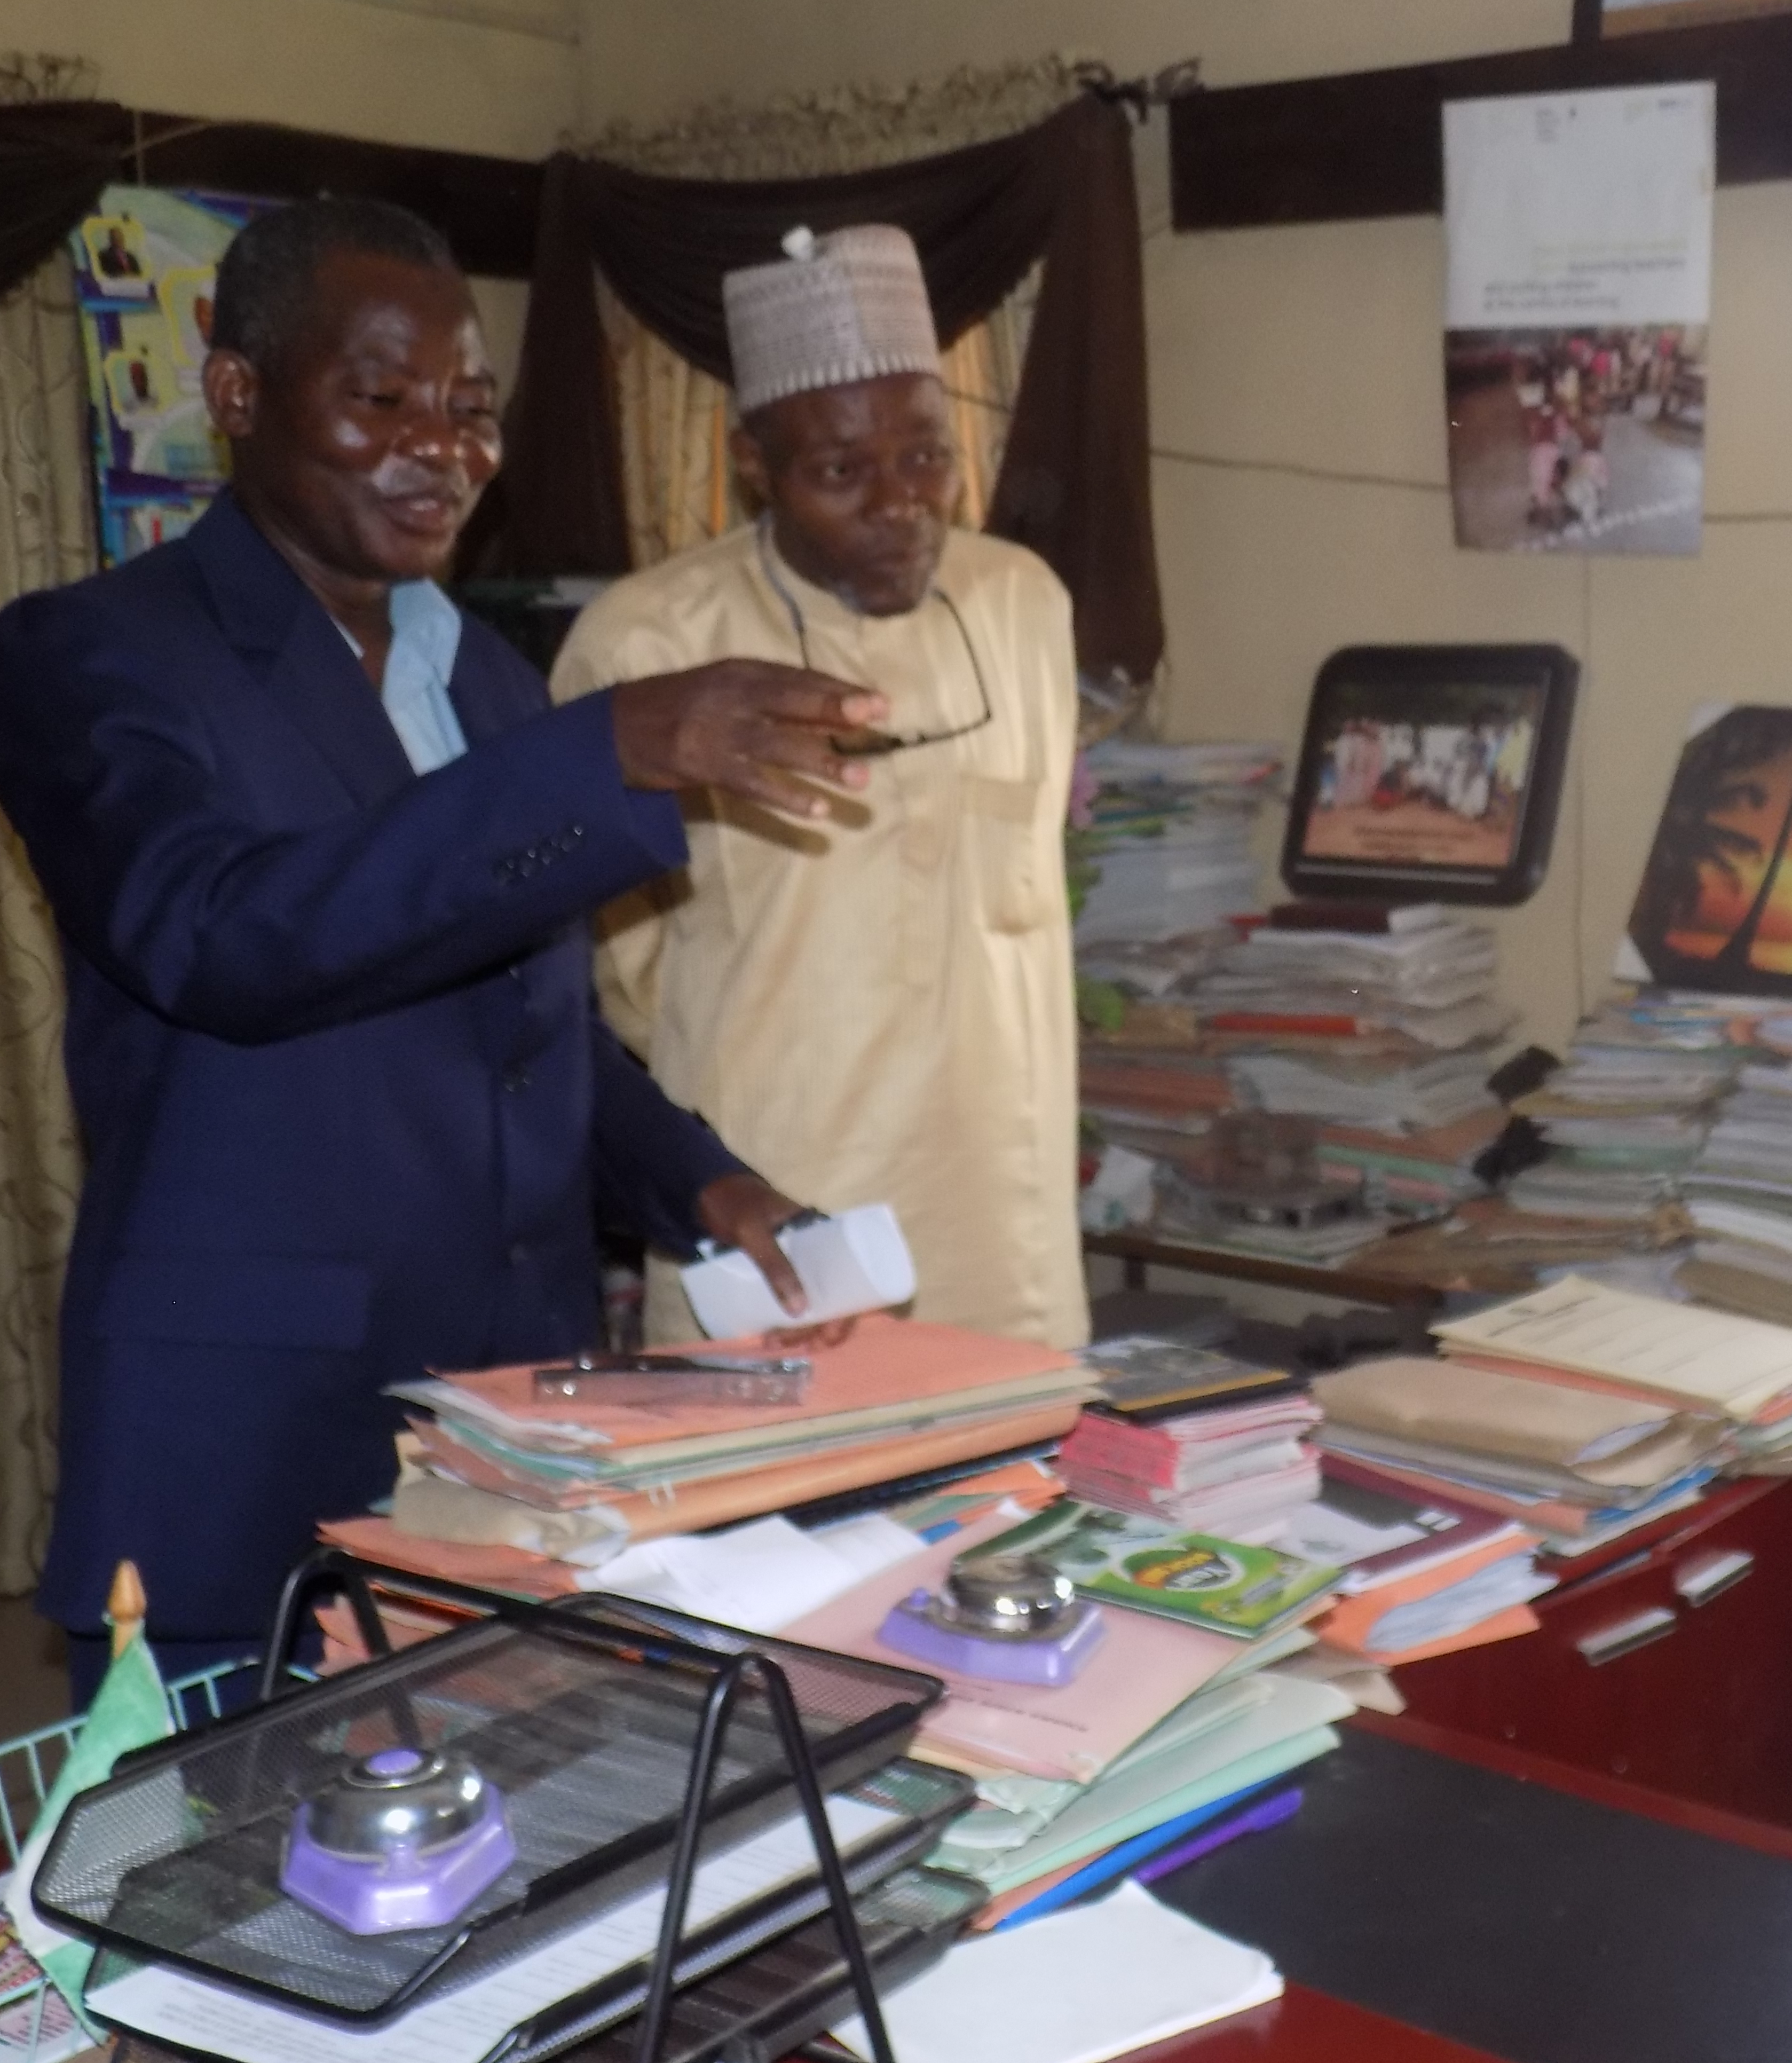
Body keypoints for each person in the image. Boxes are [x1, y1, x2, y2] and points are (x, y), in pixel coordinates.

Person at [0, 196, 888, 1698]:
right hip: (250, 1435)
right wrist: (604, 750)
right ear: (238, 395)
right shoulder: (87, 653)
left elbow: (512, 1009)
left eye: (472, 410)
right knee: (217, 1905)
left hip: (505, 1425)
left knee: (497, 1889)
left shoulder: (480, 675)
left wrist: (701, 1183)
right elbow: (225, 939)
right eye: (380, 399)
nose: (441, 447)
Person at [551, 225, 1086, 1351]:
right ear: (754, 464)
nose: (901, 502)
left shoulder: (1024, 603)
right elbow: (623, 979)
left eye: (928, 456)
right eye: (841, 470)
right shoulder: (649, 645)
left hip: (1005, 1223)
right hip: (775, 1225)